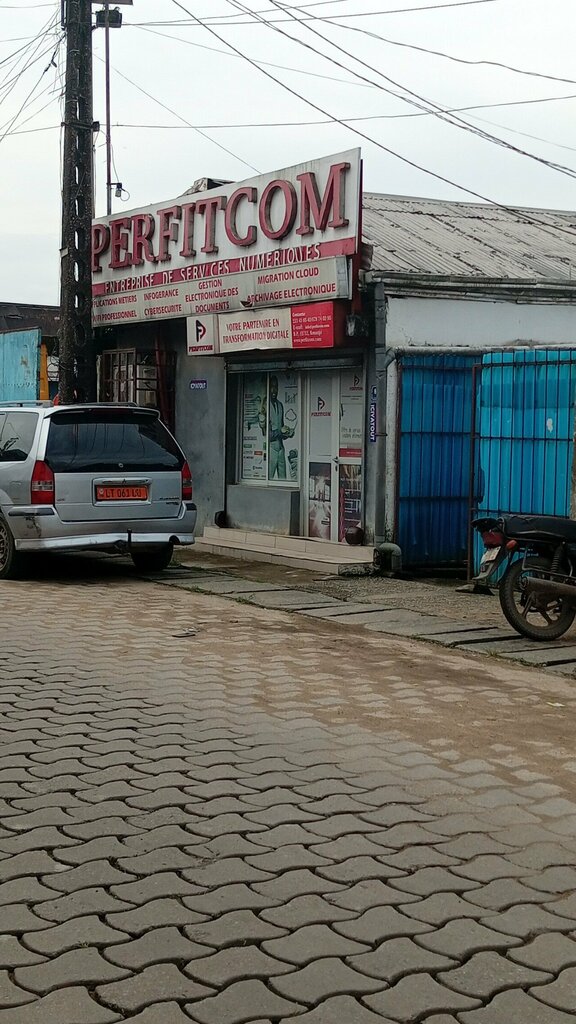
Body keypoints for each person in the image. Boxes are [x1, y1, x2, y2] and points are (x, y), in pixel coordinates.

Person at [268, 375, 294, 480]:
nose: (274, 390)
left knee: (283, 480)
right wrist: (280, 431)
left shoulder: (280, 405)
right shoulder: (266, 406)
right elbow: (267, 435)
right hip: (271, 449)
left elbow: (281, 428)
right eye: (272, 387)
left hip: (280, 448)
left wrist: (288, 433)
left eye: (276, 387)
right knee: (268, 478)